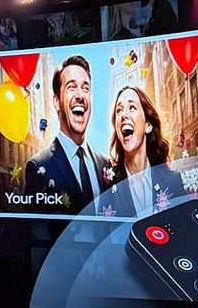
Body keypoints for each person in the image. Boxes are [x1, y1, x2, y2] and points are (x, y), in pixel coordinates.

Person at [20, 55, 109, 212]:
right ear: (56, 101)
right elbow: (36, 229)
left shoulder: (105, 165)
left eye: (85, 88)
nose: (80, 95)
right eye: (71, 87)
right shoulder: (39, 167)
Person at [96, 82, 186, 216]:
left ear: (148, 125)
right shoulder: (108, 185)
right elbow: (103, 234)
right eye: (119, 110)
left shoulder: (172, 181)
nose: (123, 115)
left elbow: (183, 231)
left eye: (132, 107)